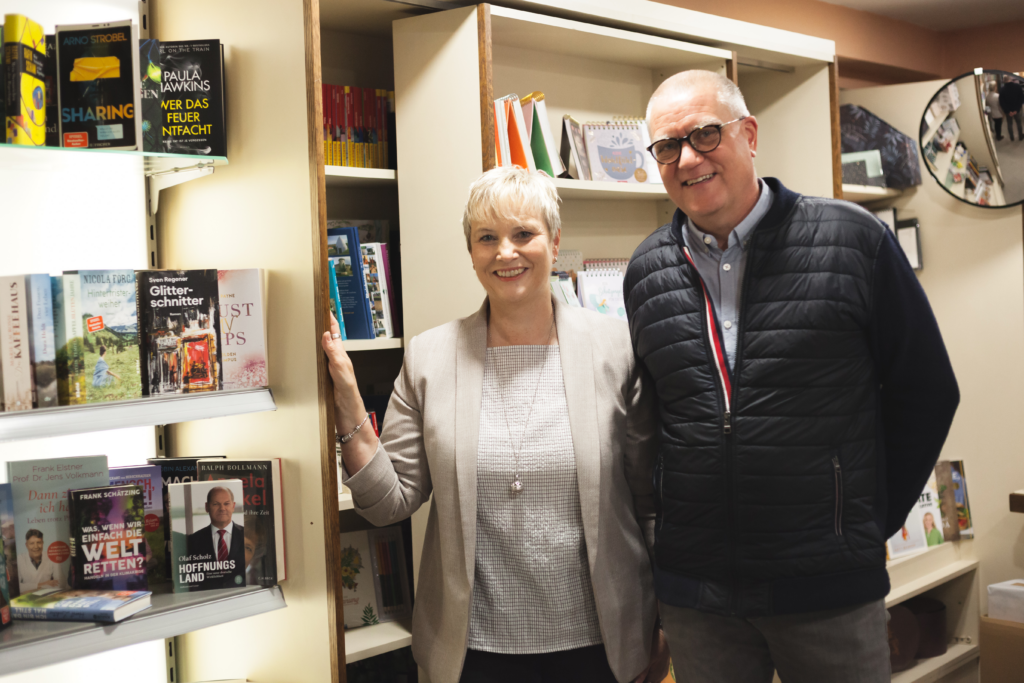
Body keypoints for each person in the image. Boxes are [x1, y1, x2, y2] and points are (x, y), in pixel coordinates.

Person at [624, 70, 960, 683]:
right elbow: (655, 423)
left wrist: (859, 521)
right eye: (667, 147)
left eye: (704, 134)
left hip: (827, 592)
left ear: (748, 134)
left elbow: (927, 390)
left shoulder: (853, 241)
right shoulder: (646, 272)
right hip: (699, 601)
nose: (688, 158)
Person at [323, 166, 668, 683]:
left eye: (523, 234)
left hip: (603, 646)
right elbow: (388, 502)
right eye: (487, 238)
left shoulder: (616, 349)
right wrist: (349, 402)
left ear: (554, 241)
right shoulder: (429, 358)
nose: (505, 252)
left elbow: (652, 503)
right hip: (472, 653)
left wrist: (664, 622)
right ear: (471, 251)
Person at [186, 486, 245, 589]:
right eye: (215, 504)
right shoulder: (192, 541)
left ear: (233, 506)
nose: (222, 508)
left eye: (226, 503)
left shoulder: (247, 535)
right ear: (207, 507)